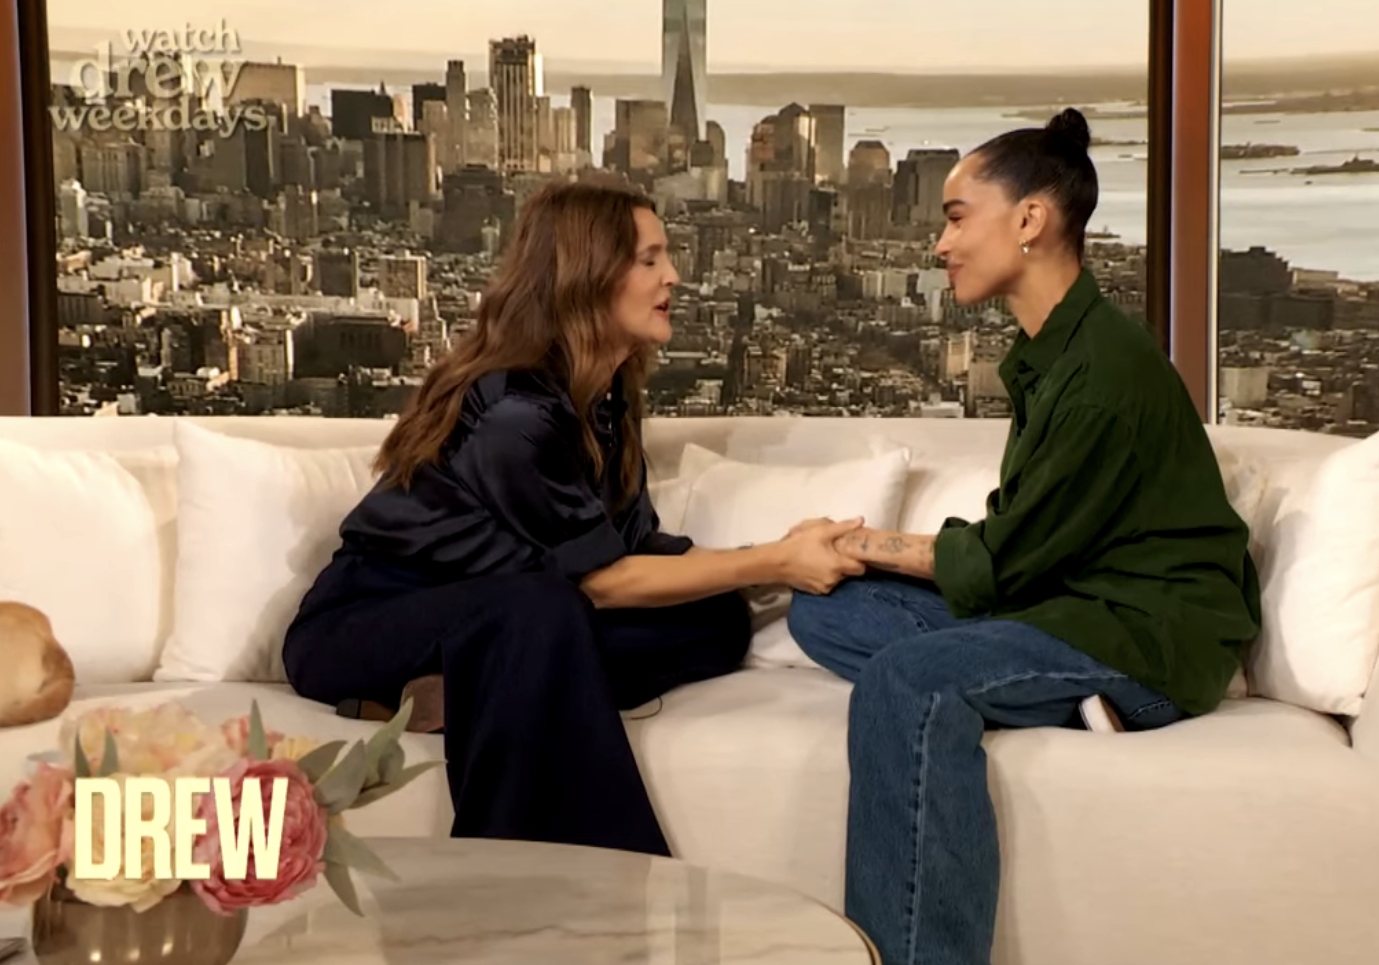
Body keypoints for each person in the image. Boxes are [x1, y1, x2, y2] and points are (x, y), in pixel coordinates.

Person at [785, 109, 1263, 965]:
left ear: (1032, 220)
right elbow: (1020, 542)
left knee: (908, 681)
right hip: (1063, 603)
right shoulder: (1054, 352)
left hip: (1143, 637)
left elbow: (1004, 559)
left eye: (957, 215)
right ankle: (1047, 696)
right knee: (822, 612)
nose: (940, 243)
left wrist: (863, 543)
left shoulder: (1102, 376)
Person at [283, 181, 865, 857]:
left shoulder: (604, 397)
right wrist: (775, 562)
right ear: (589, 277)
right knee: (545, 606)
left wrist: (769, 555)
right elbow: (607, 580)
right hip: (371, 622)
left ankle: (461, 690)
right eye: (649, 259)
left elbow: (639, 548)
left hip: (508, 618)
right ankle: (569, 882)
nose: (673, 275)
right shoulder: (515, 413)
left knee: (716, 617)